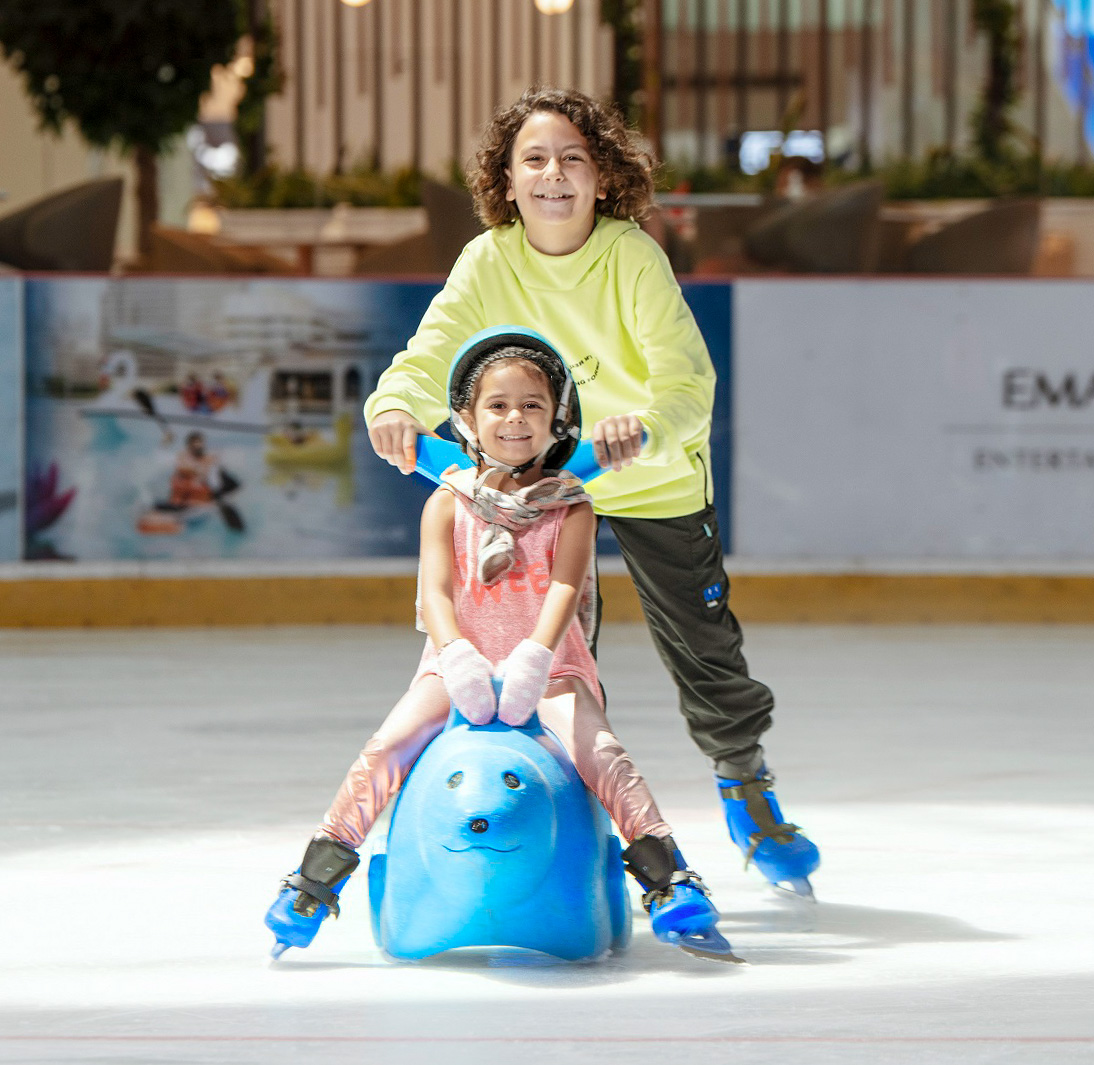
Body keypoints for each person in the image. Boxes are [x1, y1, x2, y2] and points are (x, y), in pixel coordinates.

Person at [364, 86, 820, 897]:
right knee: (551, 655)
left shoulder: (631, 255)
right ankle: (566, 812)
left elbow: (687, 379)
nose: (553, 175)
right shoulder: (488, 259)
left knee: (704, 652)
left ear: (603, 177)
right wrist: (394, 404)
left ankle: (744, 783)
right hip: (540, 487)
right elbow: (429, 353)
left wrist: (643, 427)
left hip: (649, 477)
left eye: (573, 159)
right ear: (505, 181)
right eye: (533, 160)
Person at [266, 332, 735, 961]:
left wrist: (538, 656)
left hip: (553, 669)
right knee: (385, 752)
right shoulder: (446, 504)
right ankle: (315, 881)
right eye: (498, 406)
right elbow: (435, 593)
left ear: (558, 417)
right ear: (466, 418)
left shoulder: (572, 506)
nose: (516, 419)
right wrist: (457, 653)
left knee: (602, 755)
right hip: (453, 665)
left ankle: (668, 878)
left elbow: (566, 586)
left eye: (533, 406)